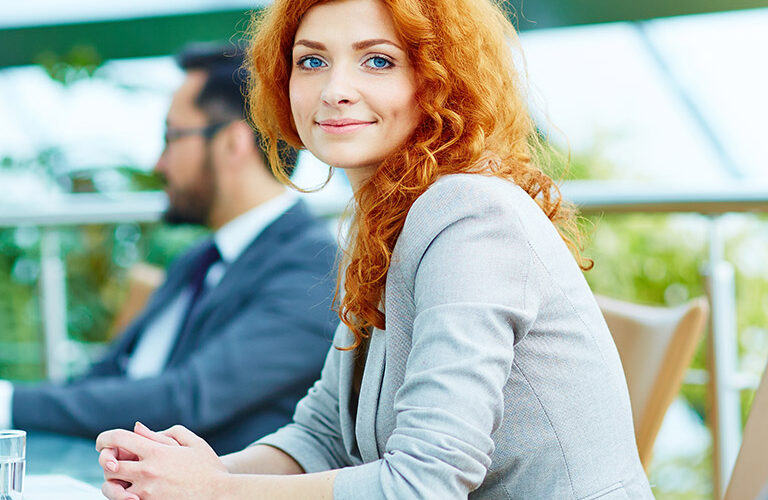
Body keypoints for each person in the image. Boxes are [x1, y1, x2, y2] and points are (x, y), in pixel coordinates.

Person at [95, 0, 655, 498]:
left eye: (378, 60)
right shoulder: (383, 220)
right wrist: (182, 476)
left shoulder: (470, 215)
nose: (334, 89)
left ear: (438, 79)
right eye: (312, 61)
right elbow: (321, 435)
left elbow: (424, 484)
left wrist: (217, 491)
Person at [0, 43, 339, 455]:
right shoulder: (198, 261)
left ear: (232, 143)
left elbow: (186, 400)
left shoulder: (313, 269)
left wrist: (9, 403)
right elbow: (107, 375)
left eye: (172, 137)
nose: (158, 164)